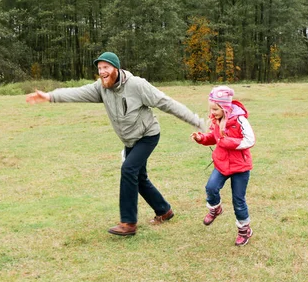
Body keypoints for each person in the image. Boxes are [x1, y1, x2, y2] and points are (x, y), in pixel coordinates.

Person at [26, 52, 205, 237]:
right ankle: (164, 210)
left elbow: (166, 103)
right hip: (129, 140)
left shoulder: (137, 85)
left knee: (128, 170)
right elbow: (77, 92)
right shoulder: (101, 88)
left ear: (116, 68)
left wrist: (195, 120)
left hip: (147, 135)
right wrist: (49, 96)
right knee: (139, 177)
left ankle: (128, 223)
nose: (102, 72)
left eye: (106, 67)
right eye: (99, 68)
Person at [191, 85, 255, 246]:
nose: (212, 113)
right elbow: (214, 137)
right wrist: (202, 139)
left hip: (240, 167)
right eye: (211, 109)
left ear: (225, 107)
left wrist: (225, 141)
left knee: (238, 200)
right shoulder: (216, 120)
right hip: (221, 164)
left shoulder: (240, 120)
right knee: (211, 188)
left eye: (216, 109)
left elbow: (250, 140)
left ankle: (244, 230)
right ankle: (215, 208)